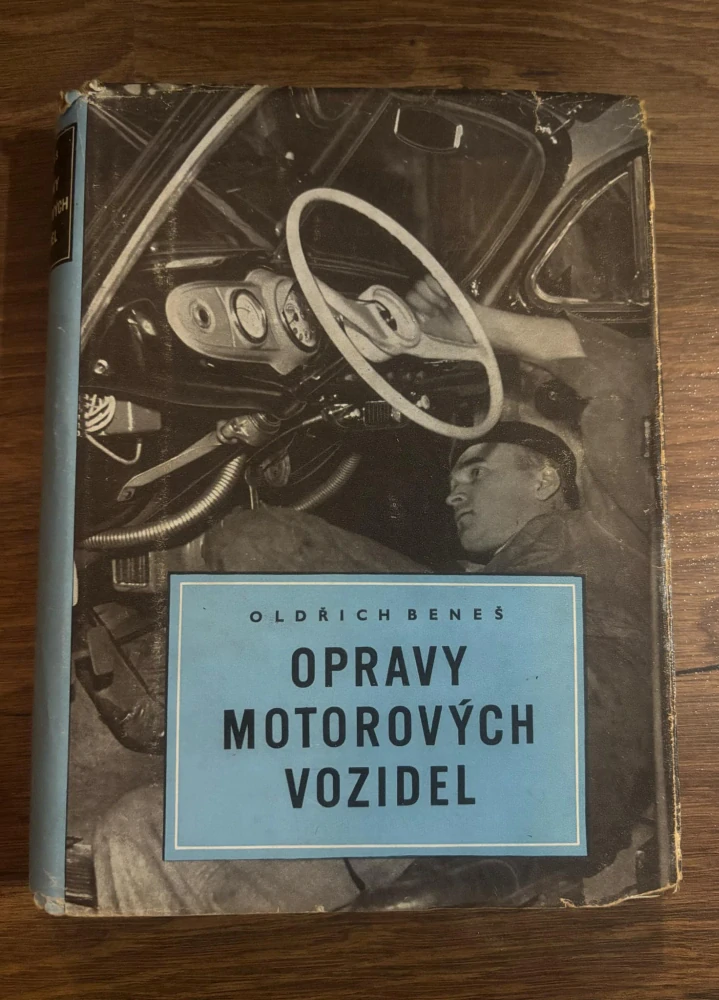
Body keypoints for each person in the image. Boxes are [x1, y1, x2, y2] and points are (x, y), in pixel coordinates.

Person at [92, 280, 656, 913]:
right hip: (409, 806)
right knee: (138, 828)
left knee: (262, 543)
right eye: (453, 477)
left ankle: (493, 866)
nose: (453, 492)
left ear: (547, 477)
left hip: (540, 793)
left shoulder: (610, 537)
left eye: (476, 470)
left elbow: (626, 371)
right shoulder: (458, 596)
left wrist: (475, 324)